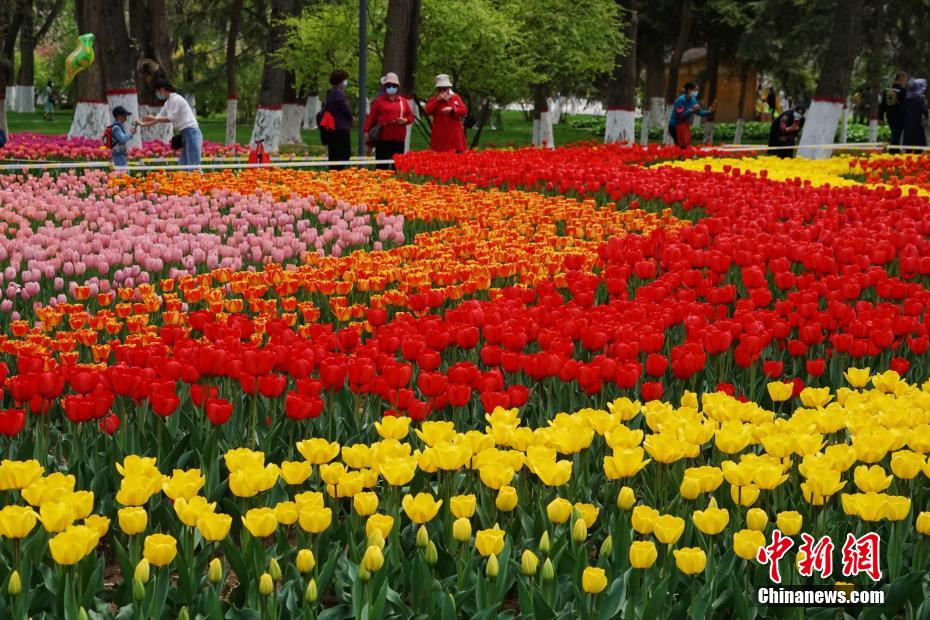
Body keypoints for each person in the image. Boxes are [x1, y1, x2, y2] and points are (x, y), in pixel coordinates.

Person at [139, 78, 203, 167]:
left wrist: (153, 118)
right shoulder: (168, 102)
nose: (158, 94)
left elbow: (170, 118)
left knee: (193, 164)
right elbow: (158, 118)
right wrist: (142, 124)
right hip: (184, 134)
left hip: (191, 132)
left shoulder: (176, 99)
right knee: (184, 165)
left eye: (158, 92)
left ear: (162, 89)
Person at [363, 72, 413, 169]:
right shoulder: (379, 101)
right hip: (383, 138)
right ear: (385, 87)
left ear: (397, 87)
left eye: (394, 85)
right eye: (389, 85)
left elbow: (411, 116)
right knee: (382, 165)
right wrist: (366, 131)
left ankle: (396, 183)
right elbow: (371, 117)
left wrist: (405, 120)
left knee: (397, 166)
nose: (391, 87)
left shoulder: (403, 101)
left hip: (399, 138)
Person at [424, 74, 467, 152]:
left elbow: (463, 110)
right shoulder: (434, 99)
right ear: (437, 89)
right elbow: (427, 111)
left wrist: (452, 110)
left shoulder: (455, 97)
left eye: (444, 89)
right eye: (440, 89)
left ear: (448, 89)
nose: (442, 91)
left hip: (454, 136)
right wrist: (437, 100)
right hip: (440, 136)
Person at [323, 69, 354, 169]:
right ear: (340, 81)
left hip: (333, 129)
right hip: (340, 129)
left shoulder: (330, 93)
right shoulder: (337, 93)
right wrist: (351, 118)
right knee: (343, 153)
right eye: (345, 80)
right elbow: (345, 109)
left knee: (335, 154)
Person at [668, 82, 714, 149]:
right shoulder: (681, 100)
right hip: (675, 126)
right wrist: (690, 110)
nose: (696, 92)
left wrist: (710, 111)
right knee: (681, 145)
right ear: (689, 90)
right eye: (695, 90)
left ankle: (683, 158)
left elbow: (700, 112)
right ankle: (680, 158)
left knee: (686, 144)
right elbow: (680, 116)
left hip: (683, 125)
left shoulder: (693, 99)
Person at [880, 72, 908, 151]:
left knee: (894, 133)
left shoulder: (886, 90)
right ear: (901, 79)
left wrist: (881, 116)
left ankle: (894, 150)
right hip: (900, 116)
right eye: (905, 80)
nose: (906, 82)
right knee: (897, 134)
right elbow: (906, 104)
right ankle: (893, 151)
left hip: (889, 116)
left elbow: (882, 105)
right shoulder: (903, 91)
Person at [901, 78, 928, 152]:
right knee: (918, 143)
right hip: (917, 122)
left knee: (908, 144)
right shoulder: (920, 99)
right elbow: (924, 110)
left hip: (907, 123)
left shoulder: (906, 99)